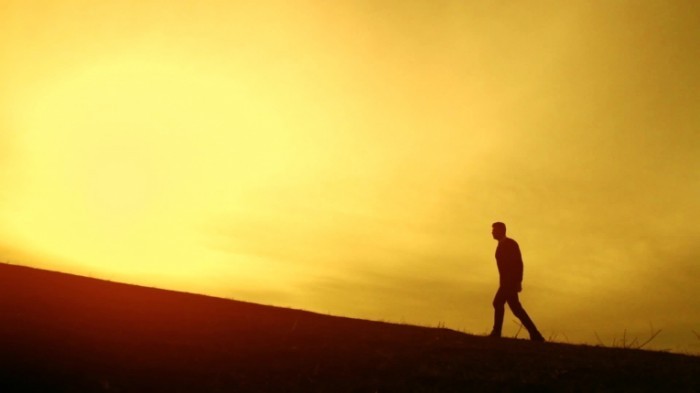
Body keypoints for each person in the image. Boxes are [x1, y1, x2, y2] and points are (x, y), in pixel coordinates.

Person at [489, 222, 544, 341]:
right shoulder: (500, 246)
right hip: (505, 283)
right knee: (516, 309)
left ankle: (497, 332)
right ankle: (535, 334)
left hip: (510, 283)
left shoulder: (511, 244)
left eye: (494, 230)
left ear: (501, 230)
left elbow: (518, 263)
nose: (492, 232)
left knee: (499, 303)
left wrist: (518, 281)